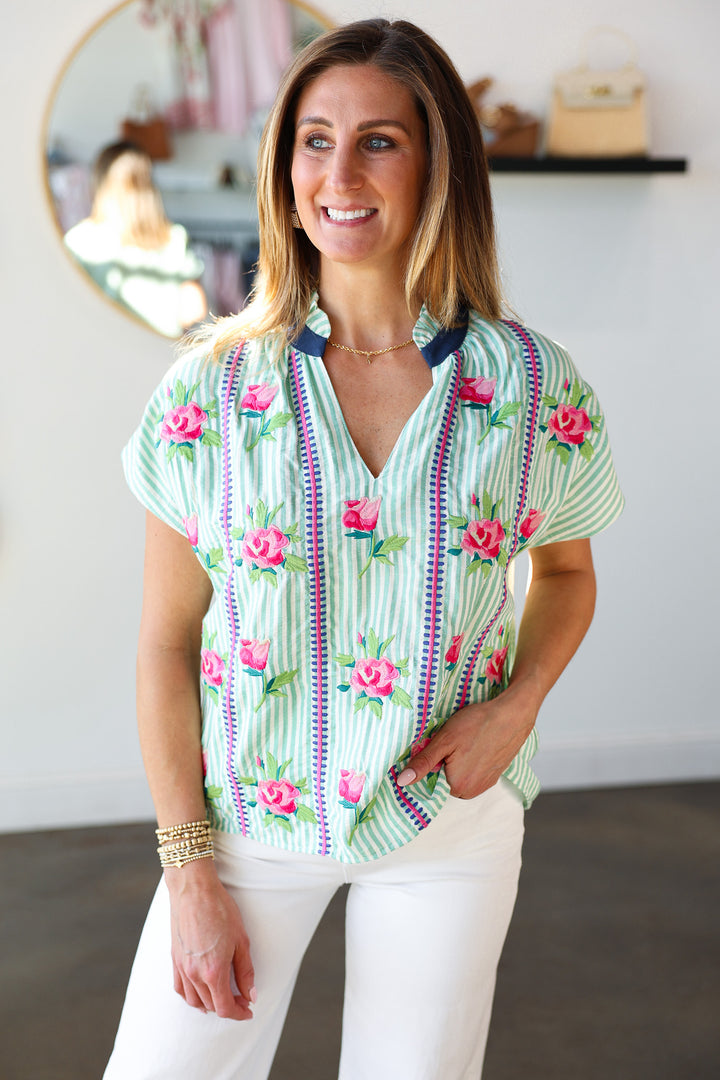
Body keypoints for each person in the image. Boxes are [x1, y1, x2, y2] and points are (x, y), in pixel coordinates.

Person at [106, 18, 623, 1080]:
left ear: (439, 164)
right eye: (314, 139)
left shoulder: (531, 386)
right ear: (283, 161)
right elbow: (166, 645)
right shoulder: (209, 391)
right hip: (248, 821)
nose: (339, 173)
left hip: (449, 822)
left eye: (380, 140)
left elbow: (565, 576)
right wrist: (188, 870)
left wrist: (515, 709)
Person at [64, 141, 207, 338]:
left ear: (99, 182)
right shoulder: (173, 237)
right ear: (148, 184)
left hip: (99, 355)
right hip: (159, 357)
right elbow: (194, 311)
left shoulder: (79, 240)